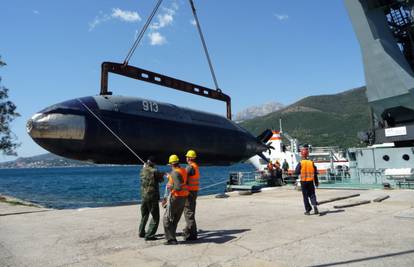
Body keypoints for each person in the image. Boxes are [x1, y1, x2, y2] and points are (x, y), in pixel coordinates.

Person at [163, 154, 189, 245]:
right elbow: (181, 181)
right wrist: (170, 177)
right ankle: (172, 236)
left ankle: (171, 239)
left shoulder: (174, 173)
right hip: (183, 197)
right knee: (175, 218)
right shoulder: (183, 170)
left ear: (171, 164)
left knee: (166, 218)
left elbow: (177, 187)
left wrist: (170, 186)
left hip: (176, 197)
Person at [139, 157, 165, 240]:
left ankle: (141, 232)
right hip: (152, 197)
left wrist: (146, 167)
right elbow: (161, 180)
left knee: (144, 215)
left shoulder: (142, 170)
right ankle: (150, 235)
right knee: (155, 217)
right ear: (153, 163)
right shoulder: (155, 171)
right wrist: (160, 172)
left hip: (143, 196)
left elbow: (145, 176)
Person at [295, 148, 319, 215]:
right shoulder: (311, 162)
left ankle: (308, 211)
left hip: (303, 182)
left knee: (305, 196)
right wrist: (316, 182)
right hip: (311, 181)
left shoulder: (301, 163)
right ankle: (314, 205)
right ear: (307, 155)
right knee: (312, 194)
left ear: (302, 155)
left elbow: (296, 172)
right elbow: (315, 173)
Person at [183, 149, 200, 241]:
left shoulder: (189, 167)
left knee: (188, 213)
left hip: (189, 193)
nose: (186, 158)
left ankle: (192, 235)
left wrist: (171, 176)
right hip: (194, 191)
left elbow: (181, 178)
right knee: (191, 212)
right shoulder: (195, 166)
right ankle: (188, 230)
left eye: (187, 157)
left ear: (189, 158)